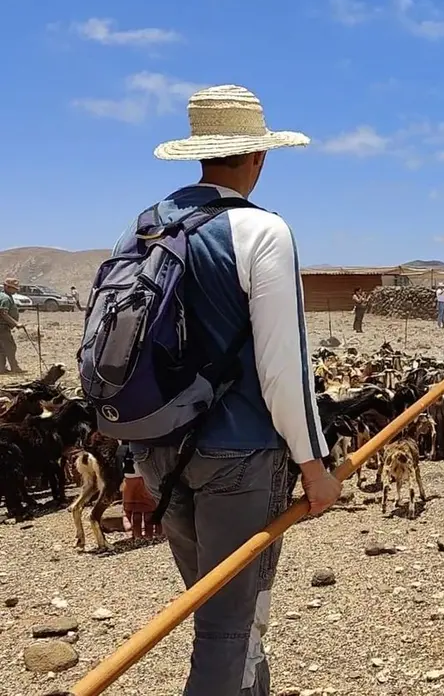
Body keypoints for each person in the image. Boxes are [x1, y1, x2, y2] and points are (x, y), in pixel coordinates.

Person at [118, 85, 340, 696]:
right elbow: (283, 368)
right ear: (258, 158)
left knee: (215, 609)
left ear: (200, 154)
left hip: (156, 452)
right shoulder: (260, 231)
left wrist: (128, 466)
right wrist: (314, 465)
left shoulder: (143, 230)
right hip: (238, 460)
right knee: (228, 626)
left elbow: (120, 355)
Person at [0, 277, 26, 374]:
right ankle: (14, 367)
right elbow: (3, 313)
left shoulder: (5, 296)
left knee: (1, 348)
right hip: (2, 327)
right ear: (6, 287)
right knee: (10, 347)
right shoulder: (5, 298)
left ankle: (1, 368)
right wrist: (16, 323)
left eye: (15, 288)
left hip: (2, 327)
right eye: (12, 288)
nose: (14, 290)